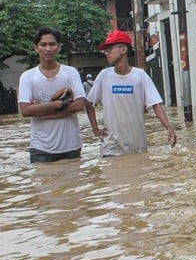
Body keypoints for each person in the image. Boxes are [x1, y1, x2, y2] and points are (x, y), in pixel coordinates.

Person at [85, 30, 176, 156]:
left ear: (123, 50)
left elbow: (155, 104)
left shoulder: (140, 76)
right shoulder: (104, 76)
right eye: (106, 50)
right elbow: (89, 103)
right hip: (111, 147)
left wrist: (168, 127)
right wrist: (95, 130)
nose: (107, 53)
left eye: (110, 49)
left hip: (137, 145)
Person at [18, 27, 86, 163]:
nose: (48, 49)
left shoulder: (71, 73)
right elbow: (25, 110)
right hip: (41, 148)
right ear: (36, 48)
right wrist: (57, 104)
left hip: (71, 146)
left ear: (59, 47)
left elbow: (80, 104)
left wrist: (43, 111)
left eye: (52, 44)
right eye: (43, 45)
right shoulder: (28, 77)